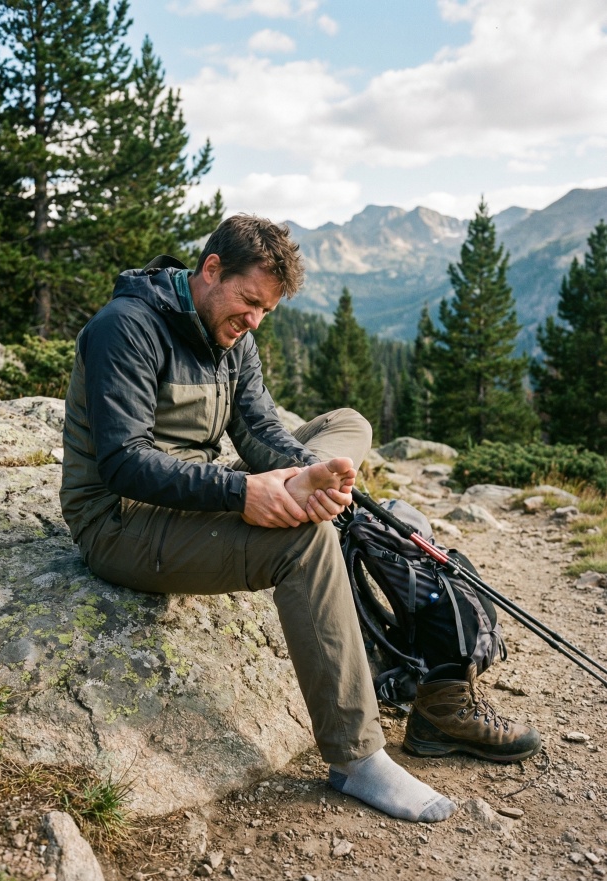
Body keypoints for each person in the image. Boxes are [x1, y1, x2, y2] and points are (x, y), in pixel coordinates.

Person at [59, 215, 528, 824]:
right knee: (305, 543)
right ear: (210, 271)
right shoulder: (124, 328)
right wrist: (244, 493)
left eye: (266, 311)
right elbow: (123, 463)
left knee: (349, 426)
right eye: (249, 302)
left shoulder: (232, 337)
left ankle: (345, 535)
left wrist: (310, 473)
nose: (254, 322)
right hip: (122, 520)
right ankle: (358, 759)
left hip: (194, 494)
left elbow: (256, 430)